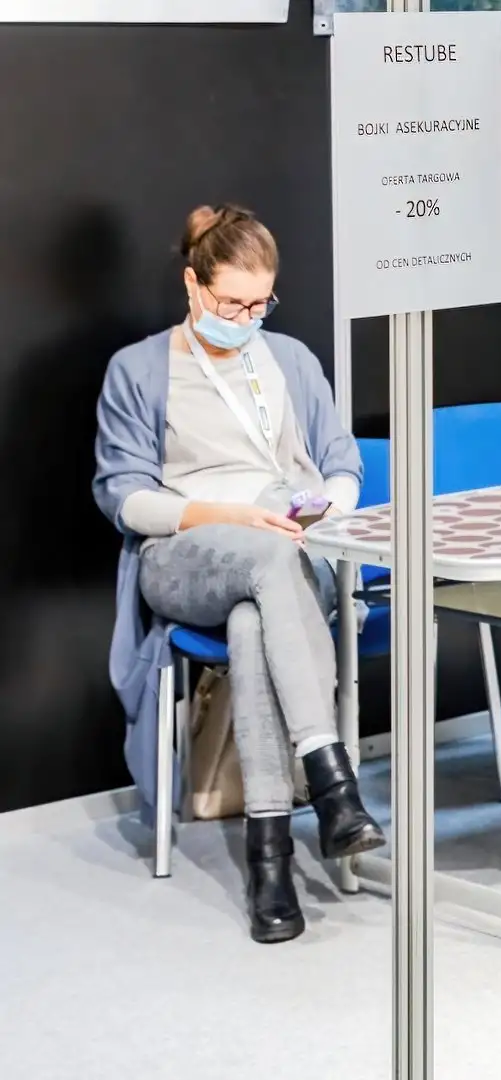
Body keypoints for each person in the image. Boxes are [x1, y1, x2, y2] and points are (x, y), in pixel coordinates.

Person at [93, 205, 381, 944]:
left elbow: (343, 465)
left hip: (289, 548)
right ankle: (330, 777)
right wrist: (221, 513)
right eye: (231, 304)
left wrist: (325, 508)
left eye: (261, 304)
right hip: (186, 553)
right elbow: (123, 497)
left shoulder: (291, 360)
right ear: (193, 285)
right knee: (266, 559)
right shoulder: (139, 369)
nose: (246, 319)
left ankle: (269, 862)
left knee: (256, 620)